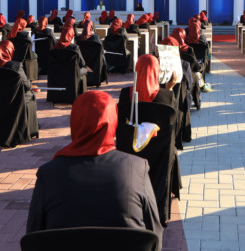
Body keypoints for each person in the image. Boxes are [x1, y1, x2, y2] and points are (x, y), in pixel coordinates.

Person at [26, 91, 163, 242]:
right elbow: (155, 235)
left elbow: (33, 237)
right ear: (113, 121)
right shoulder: (136, 168)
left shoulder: (48, 174)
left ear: (75, 121)